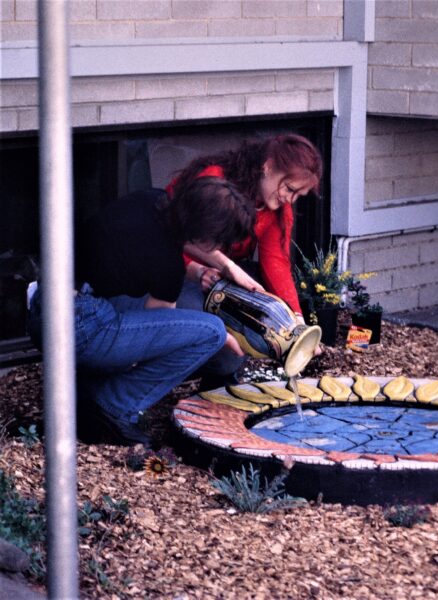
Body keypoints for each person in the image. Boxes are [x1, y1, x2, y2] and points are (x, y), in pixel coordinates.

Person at [28, 177, 255, 446]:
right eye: (219, 242)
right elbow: (158, 336)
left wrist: (227, 267)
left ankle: (85, 388)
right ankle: (113, 405)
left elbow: (179, 242)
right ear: (206, 232)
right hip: (77, 327)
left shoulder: (150, 200)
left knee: (132, 311)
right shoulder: (168, 267)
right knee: (211, 332)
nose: (219, 249)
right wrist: (229, 339)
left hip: (45, 306)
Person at [167, 134, 324, 387]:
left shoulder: (276, 207)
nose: (290, 200)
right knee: (221, 348)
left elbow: (276, 263)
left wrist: (297, 322)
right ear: (268, 166)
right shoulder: (213, 179)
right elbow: (173, 237)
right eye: (290, 189)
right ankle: (201, 371)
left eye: (298, 195)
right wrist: (196, 269)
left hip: (221, 278)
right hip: (175, 271)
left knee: (257, 298)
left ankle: (219, 385)